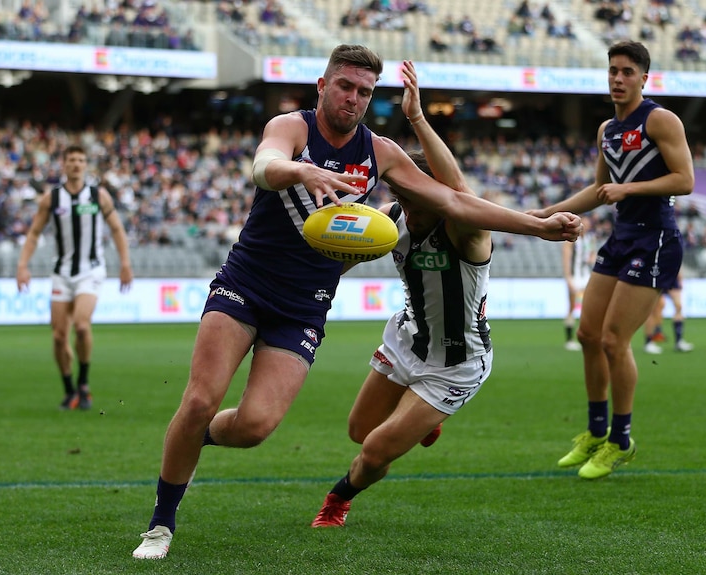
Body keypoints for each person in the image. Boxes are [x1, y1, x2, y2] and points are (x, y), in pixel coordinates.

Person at [131, 45, 582, 560]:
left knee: (255, 427)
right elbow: (264, 165)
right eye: (344, 86)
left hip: (304, 306)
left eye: (364, 91)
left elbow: (455, 199)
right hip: (246, 283)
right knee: (199, 399)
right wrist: (303, 172)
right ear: (322, 86)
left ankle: (194, 436)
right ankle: (160, 525)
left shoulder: (382, 153)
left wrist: (538, 226)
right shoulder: (293, 128)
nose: (353, 98)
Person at [310, 61, 583, 528]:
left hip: (457, 361)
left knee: (375, 449)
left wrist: (417, 118)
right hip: (408, 340)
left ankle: (337, 501)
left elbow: (458, 190)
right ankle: (423, 420)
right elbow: (350, 252)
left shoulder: (464, 229)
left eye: (418, 198)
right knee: (360, 430)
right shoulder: (391, 218)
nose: (408, 206)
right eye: (401, 194)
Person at [528, 40, 694, 479]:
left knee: (614, 341)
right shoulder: (607, 130)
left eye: (626, 72)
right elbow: (598, 190)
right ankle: (596, 433)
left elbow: (686, 180)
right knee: (587, 333)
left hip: (655, 240)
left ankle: (621, 441)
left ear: (644, 77)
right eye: (612, 71)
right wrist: (546, 212)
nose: (617, 79)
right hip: (620, 238)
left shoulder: (660, 119)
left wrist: (629, 190)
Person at [16, 145, 133, 410]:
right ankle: (69, 390)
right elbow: (34, 233)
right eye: (72, 160)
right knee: (58, 336)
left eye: (81, 160)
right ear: (64, 164)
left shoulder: (98, 196)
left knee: (81, 326)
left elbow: (116, 229)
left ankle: (83, 383)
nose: (76, 164)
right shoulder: (52, 199)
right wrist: (23, 265)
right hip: (61, 272)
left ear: (86, 164)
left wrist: (125, 263)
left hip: (90, 271)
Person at [561, 215, 597, 351]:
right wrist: (568, 278)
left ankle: (586, 336)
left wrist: (591, 259)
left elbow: (593, 254)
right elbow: (566, 259)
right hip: (575, 277)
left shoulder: (590, 239)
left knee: (588, 307)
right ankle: (569, 339)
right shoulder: (570, 241)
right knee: (572, 307)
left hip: (586, 276)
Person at [643, 270, 694, 354]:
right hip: (659, 275)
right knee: (656, 309)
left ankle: (679, 341)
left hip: (672, 275)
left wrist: (680, 278)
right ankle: (649, 342)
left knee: (679, 306)